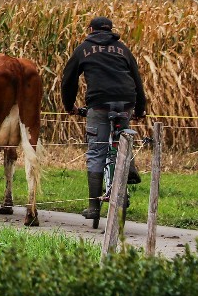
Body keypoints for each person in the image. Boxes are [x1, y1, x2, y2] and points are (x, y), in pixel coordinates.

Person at [60, 16, 148, 228]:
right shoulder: (122, 49)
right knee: (124, 142)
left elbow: (68, 79)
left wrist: (69, 105)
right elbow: (137, 80)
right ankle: (129, 167)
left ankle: (93, 206)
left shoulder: (83, 49)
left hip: (98, 104)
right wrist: (140, 109)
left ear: (90, 29)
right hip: (126, 102)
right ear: (110, 30)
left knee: (96, 151)